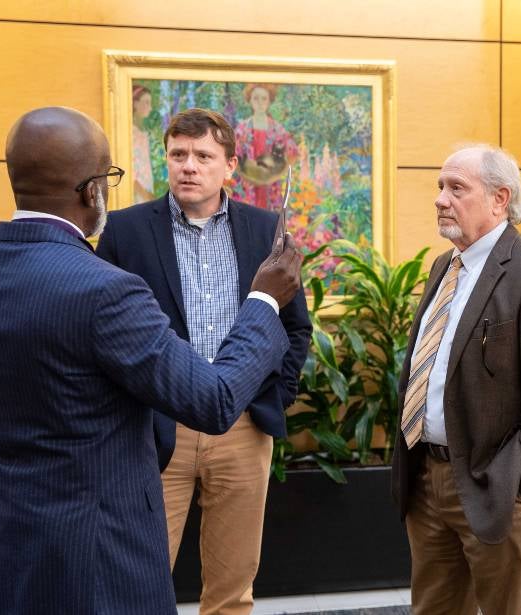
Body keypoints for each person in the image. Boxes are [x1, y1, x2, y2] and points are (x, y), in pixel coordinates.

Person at [0, 106, 303, 615]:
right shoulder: (106, 290)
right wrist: (263, 301)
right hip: (105, 560)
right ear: (92, 191)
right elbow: (214, 399)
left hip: (14, 549)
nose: (189, 165)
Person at [96, 107, 311, 614]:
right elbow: (100, 329)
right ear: (166, 159)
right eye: (178, 155)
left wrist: (272, 396)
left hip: (241, 427)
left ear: (230, 165)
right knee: (139, 577)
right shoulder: (125, 232)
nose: (188, 166)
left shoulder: (265, 230)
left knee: (233, 584)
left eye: (203, 156)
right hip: (155, 426)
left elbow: (295, 325)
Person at [390, 145, 521, 615]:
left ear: (500, 199)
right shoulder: (444, 267)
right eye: (440, 186)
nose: (441, 199)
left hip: (499, 487)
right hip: (427, 479)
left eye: (456, 188)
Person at [232, 83, 298, 210]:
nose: (260, 103)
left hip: (271, 184)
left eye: (264, 99)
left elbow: (292, 152)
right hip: (248, 183)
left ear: (269, 101)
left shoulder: (277, 128)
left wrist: (276, 173)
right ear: (250, 100)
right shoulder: (242, 129)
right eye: (256, 98)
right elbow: (232, 155)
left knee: (270, 219)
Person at [132, 85, 155, 202]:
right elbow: (130, 169)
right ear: (135, 103)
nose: (150, 108)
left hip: (146, 191)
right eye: (146, 102)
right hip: (137, 193)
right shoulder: (130, 132)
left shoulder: (142, 132)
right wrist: (144, 194)